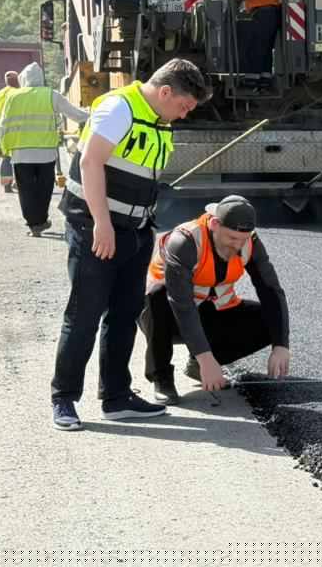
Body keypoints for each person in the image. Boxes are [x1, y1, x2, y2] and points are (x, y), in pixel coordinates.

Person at [49, 58, 212, 431]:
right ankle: (64, 399)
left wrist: (145, 225)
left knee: (124, 316)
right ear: (166, 92)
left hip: (136, 231)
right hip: (96, 228)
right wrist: (102, 225)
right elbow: (91, 163)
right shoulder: (118, 108)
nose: (184, 115)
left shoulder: (159, 120)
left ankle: (117, 397)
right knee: (84, 315)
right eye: (184, 106)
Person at [139, 195, 291, 404]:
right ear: (214, 224)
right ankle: (162, 378)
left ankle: (198, 365)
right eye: (231, 238)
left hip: (211, 311)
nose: (237, 246)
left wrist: (281, 345)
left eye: (243, 239)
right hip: (167, 316)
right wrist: (205, 357)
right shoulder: (185, 241)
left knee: (270, 320)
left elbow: (271, 290)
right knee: (157, 295)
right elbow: (181, 303)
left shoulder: (250, 242)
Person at [0, 62, 88, 236]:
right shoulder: (50, 95)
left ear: (23, 79)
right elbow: (75, 114)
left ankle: (34, 224)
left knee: (26, 190)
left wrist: (2, 146)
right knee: (44, 189)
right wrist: (94, 114)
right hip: (46, 153)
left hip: (21, 153)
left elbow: (3, 125)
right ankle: (41, 219)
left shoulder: (13, 97)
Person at [0, 71, 20, 193]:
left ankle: (7, 185)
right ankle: (18, 183)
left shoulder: (0, 93)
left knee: (5, 157)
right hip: (16, 130)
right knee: (19, 157)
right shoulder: (17, 93)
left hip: (2, 130)